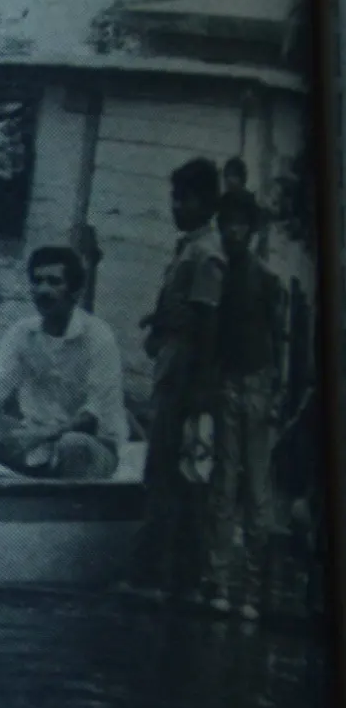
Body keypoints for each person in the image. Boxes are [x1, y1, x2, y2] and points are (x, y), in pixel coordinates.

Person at [0, 246, 125, 480]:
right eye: (37, 281)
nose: (43, 290)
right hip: (31, 442)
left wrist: (43, 434)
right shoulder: (23, 333)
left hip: (90, 449)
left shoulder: (98, 337)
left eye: (54, 282)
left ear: (76, 292)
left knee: (72, 444)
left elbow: (94, 415)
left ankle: (65, 512)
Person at [136, 156, 226, 601]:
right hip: (174, 361)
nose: (176, 206)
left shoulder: (208, 252)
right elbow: (183, 305)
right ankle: (167, 573)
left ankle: (164, 576)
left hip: (187, 371)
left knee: (171, 471)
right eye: (174, 197)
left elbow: (207, 321)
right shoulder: (189, 247)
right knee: (165, 467)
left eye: (185, 198)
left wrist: (198, 391)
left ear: (208, 202)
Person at [206, 190, 284, 617]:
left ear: (252, 230)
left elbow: (279, 342)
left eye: (240, 223)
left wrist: (275, 396)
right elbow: (213, 338)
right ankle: (219, 581)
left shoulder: (267, 280)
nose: (232, 231)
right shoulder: (217, 276)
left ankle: (252, 590)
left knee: (256, 491)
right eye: (226, 223)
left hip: (259, 387)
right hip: (225, 386)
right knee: (223, 485)